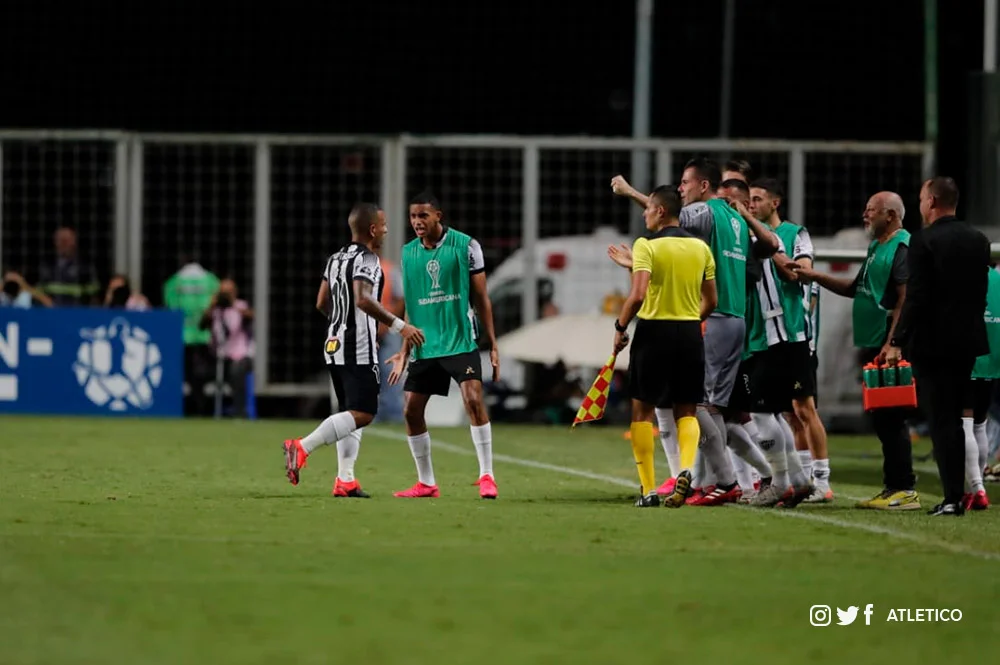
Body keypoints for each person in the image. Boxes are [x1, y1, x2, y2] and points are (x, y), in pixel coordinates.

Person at [610, 161, 780, 506]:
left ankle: (723, 479)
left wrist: (629, 193)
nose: (682, 188)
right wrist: (691, 318)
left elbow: (666, 217)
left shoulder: (699, 215)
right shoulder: (726, 227)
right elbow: (764, 248)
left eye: (686, 182)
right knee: (716, 409)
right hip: (720, 321)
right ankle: (707, 474)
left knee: (682, 408)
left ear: (706, 186)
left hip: (690, 325)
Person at [283, 203, 425, 498]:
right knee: (364, 413)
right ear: (372, 229)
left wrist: (341, 323)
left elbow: (322, 302)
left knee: (350, 412)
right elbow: (362, 299)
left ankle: (345, 479)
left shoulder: (335, 258)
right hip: (357, 346)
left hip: (334, 343)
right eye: (384, 225)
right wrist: (400, 326)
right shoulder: (369, 259)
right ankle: (302, 447)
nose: (386, 230)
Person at [794, 191, 918, 510]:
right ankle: (894, 487)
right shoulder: (877, 246)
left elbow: (906, 296)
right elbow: (856, 289)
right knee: (882, 418)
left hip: (888, 344)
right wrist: (814, 276)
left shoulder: (901, 245)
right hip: (875, 342)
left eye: (871, 210)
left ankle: (903, 488)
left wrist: (894, 342)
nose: (865, 215)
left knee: (892, 418)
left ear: (890, 215)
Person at [886, 177, 991, 516]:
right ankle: (964, 492)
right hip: (969, 340)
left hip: (934, 344)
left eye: (920, 198)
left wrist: (898, 340)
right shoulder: (979, 240)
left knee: (942, 420)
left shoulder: (924, 241)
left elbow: (916, 297)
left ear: (931, 201)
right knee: (963, 419)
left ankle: (952, 498)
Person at [386, 192, 500, 499]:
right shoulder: (408, 253)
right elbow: (411, 306)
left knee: (473, 399)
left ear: (439, 215)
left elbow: (482, 298)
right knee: (411, 410)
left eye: (423, 216)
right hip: (425, 344)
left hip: (459, 340)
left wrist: (493, 344)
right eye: (413, 217)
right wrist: (403, 350)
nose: (417, 222)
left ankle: (487, 475)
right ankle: (426, 482)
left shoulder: (466, 246)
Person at [613, 186, 716, 507]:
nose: (644, 213)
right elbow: (712, 300)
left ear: (660, 211)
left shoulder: (646, 245)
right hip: (688, 333)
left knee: (642, 410)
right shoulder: (700, 248)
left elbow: (639, 294)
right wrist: (686, 319)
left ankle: (648, 491)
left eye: (647, 209)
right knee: (686, 409)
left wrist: (619, 327)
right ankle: (686, 469)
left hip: (653, 333)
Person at [749, 178, 833, 503]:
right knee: (786, 414)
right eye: (749, 199)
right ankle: (800, 478)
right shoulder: (749, 238)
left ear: (775, 202)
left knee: (805, 409)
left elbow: (801, 271)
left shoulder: (795, 234)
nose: (752, 204)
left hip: (797, 334)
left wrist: (777, 255)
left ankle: (822, 481)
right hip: (766, 338)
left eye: (758, 199)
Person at [961, 263, 1000, 511]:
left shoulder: (965, 276)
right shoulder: (995, 278)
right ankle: (975, 488)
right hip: (993, 361)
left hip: (969, 358)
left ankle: (977, 488)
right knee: (980, 425)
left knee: (965, 423)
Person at [164, 255, 219, 416]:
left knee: (186, 375)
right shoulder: (211, 280)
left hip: (183, 336)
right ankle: (201, 407)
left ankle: (190, 408)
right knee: (201, 376)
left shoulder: (174, 282)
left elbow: (170, 306)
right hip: (205, 336)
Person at [200, 278, 254, 418]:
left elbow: (250, 316)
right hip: (218, 355)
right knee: (198, 371)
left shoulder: (240, 306)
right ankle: (200, 412)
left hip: (239, 355)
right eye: (222, 292)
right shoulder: (215, 309)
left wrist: (232, 305)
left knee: (236, 372)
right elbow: (201, 326)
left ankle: (240, 412)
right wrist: (212, 307)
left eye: (228, 292)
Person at [38, 227, 101, 307]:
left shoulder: (86, 267)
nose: (63, 243)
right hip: (49, 313)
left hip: (77, 313)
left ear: (74, 242)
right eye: (60, 240)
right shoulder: (46, 266)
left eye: (67, 240)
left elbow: (94, 296)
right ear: (55, 242)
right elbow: (37, 292)